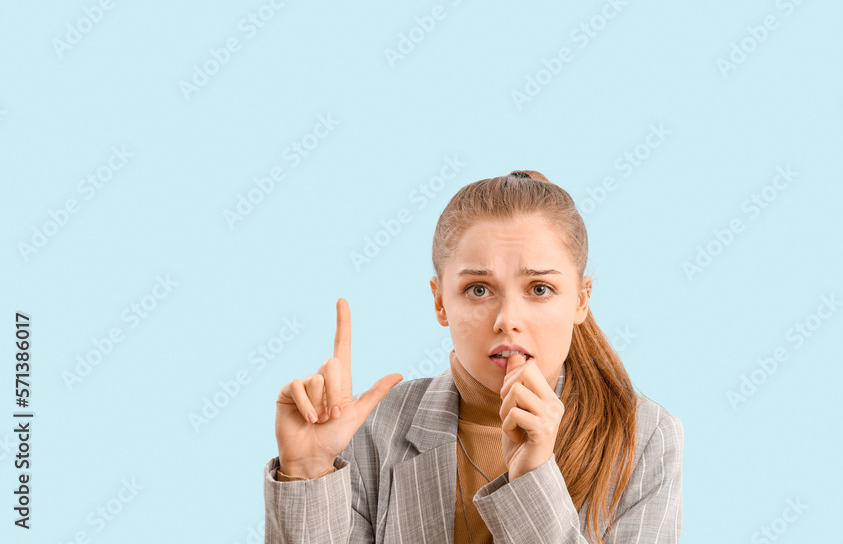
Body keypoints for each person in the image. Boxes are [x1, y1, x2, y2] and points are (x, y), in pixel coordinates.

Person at [263, 170, 683, 543]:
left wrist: (534, 480)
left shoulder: (644, 437)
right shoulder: (374, 429)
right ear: (440, 302)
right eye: (478, 289)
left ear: (580, 300)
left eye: (539, 289)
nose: (507, 320)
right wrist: (308, 473)